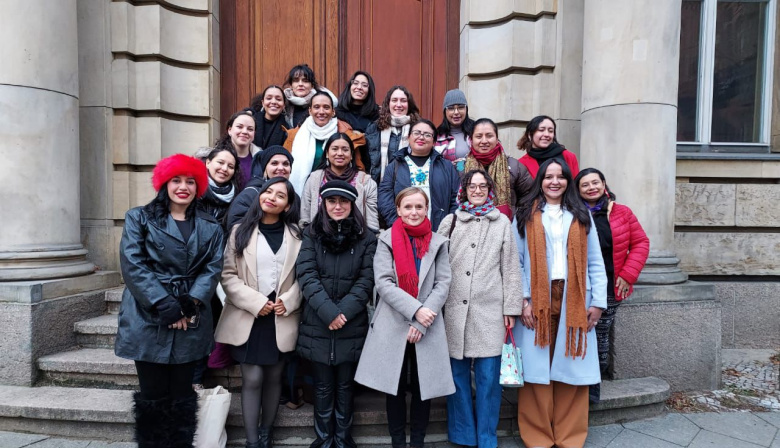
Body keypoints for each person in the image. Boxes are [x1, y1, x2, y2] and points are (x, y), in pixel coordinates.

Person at [115, 154, 224, 447]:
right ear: (164, 183)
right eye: (176, 180)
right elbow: (133, 264)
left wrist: (189, 304)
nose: (183, 187)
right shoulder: (139, 217)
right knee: (152, 395)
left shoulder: (210, 226)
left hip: (190, 318)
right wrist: (165, 305)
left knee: (182, 395)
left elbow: (212, 268)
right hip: (147, 315)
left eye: (191, 181)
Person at [512, 159, 607, 448]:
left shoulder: (581, 215)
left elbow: (595, 261)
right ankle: (538, 437)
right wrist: (523, 300)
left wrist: (599, 301)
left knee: (571, 367)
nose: (555, 181)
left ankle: (569, 437)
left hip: (574, 297)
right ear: (540, 180)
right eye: (549, 176)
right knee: (537, 369)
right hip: (537, 298)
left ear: (569, 181)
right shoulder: (524, 214)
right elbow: (515, 262)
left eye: (561, 177)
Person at [355, 187, 455, 448]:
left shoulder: (438, 242)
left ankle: (418, 441)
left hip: (427, 324)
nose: (414, 212)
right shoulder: (386, 240)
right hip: (394, 322)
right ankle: (398, 441)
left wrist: (422, 318)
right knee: (395, 387)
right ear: (398, 210)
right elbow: (384, 283)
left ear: (427, 209)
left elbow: (443, 283)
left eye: (419, 207)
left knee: (424, 387)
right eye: (408, 207)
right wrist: (415, 312)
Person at [215, 177, 303, 448]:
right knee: (252, 378)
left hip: (281, 316)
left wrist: (289, 300)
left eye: (280, 195)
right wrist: (255, 302)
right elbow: (227, 276)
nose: (272, 197)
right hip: (249, 316)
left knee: (275, 376)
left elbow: (305, 276)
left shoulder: (298, 235)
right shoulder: (240, 231)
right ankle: (253, 441)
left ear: (288, 205)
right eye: (268, 191)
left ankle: (267, 434)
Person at [436, 170, 522, 448]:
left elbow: (510, 268)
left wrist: (511, 307)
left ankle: (486, 437)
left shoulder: (502, 223)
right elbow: (436, 266)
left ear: (490, 190)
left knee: (488, 381)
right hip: (453, 311)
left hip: (490, 311)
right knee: (457, 379)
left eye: (482, 186)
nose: (477, 190)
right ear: (463, 190)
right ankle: (462, 434)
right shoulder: (450, 222)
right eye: (472, 186)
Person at [296, 180, 378, 448]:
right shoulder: (311, 234)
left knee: (345, 386)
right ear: (324, 204)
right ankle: (323, 439)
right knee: (322, 387)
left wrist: (342, 312)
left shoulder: (366, 238)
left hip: (350, 323)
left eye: (343, 201)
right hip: (318, 322)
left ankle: (343, 439)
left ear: (352, 204)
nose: (338, 206)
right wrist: (329, 311)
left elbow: (367, 280)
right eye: (332, 201)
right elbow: (306, 275)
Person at [574, 168, 649, 402]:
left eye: (595, 182)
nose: (591, 188)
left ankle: (594, 385)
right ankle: (576, 381)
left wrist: (628, 274)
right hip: (578, 285)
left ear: (604, 184)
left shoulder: (622, 213)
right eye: (585, 185)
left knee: (599, 331)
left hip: (610, 284)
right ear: (577, 190)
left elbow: (641, 243)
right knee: (578, 331)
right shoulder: (574, 213)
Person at [190, 142, 240, 389]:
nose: (224, 169)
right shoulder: (193, 192)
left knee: (214, 322)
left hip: (223, 267)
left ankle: (206, 370)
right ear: (207, 163)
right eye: (220, 162)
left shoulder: (237, 195)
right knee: (197, 324)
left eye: (230, 166)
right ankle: (194, 379)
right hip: (195, 268)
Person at [377, 119, 460, 231]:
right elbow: (385, 196)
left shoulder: (446, 167)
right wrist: (396, 223)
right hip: (403, 231)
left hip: (439, 231)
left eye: (427, 135)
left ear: (434, 141)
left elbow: (457, 197)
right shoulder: (395, 165)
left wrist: (448, 224)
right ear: (408, 137)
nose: (421, 137)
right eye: (417, 133)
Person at [284, 91, 366, 194]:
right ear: (310, 111)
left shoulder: (347, 135)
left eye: (326, 107)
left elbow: (357, 167)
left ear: (333, 112)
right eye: (317, 107)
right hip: (301, 193)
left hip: (337, 192)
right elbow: (284, 167)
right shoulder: (295, 135)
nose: (321, 111)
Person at [300, 133, 379, 232]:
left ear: (351, 155)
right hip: (318, 239)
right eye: (335, 149)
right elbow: (305, 217)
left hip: (355, 241)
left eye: (345, 150)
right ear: (327, 154)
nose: (340, 153)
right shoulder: (314, 179)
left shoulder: (366, 182)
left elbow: (372, 224)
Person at [461, 118, 534, 220]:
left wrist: (518, 219)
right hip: (470, 226)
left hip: (507, 227)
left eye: (489, 136)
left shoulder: (514, 166)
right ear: (471, 140)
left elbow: (530, 195)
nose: (484, 141)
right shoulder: (461, 167)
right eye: (478, 136)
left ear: (496, 138)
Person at [227, 146, 294, 230]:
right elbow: (234, 229)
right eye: (274, 163)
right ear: (265, 168)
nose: (281, 168)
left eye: (286, 164)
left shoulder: (294, 197)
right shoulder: (249, 195)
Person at [366, 86, 421, 183]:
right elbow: (367, 161)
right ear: (388, 104)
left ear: (409, 104)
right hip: (380, 187)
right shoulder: (374, 129)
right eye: (394, 100)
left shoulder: (419, 128)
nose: (398, 105)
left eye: (403, 101)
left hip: (411, 186)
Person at [335, 71, 380, 169]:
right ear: (349, 86)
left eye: (364, 85)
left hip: (370, 166)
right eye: (355, 83)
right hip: (343, 165)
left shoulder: (378, 114)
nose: (359, 87)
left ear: (369, 90)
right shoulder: (336, 112)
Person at [214, 110, 261, 190]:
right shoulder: (214, 159)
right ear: (229, 130)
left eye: (250, 129)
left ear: (254, 134)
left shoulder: (261, 159)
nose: (244, 132)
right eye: (239, 127)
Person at [283, 63, 339, 129]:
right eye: (296, 81)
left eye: (305, 81)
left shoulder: (323, 101)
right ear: (291, 85)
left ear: (312, 85)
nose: (300, 84)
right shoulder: (284, 104)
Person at [434, 89, 474, 169]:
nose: (456, 112)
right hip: (448, 180)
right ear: (445, 111)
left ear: (466, 109)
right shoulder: (436, 136)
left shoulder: (477, 131)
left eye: (461, 107)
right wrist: (451, 166)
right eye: (451, 108)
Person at [248, 84, 289, 150]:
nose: (273, 102)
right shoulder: (250, 122)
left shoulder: (288, 129)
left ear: (284, 105)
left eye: (278, 99)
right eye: (269, 98)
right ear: (263, 103)